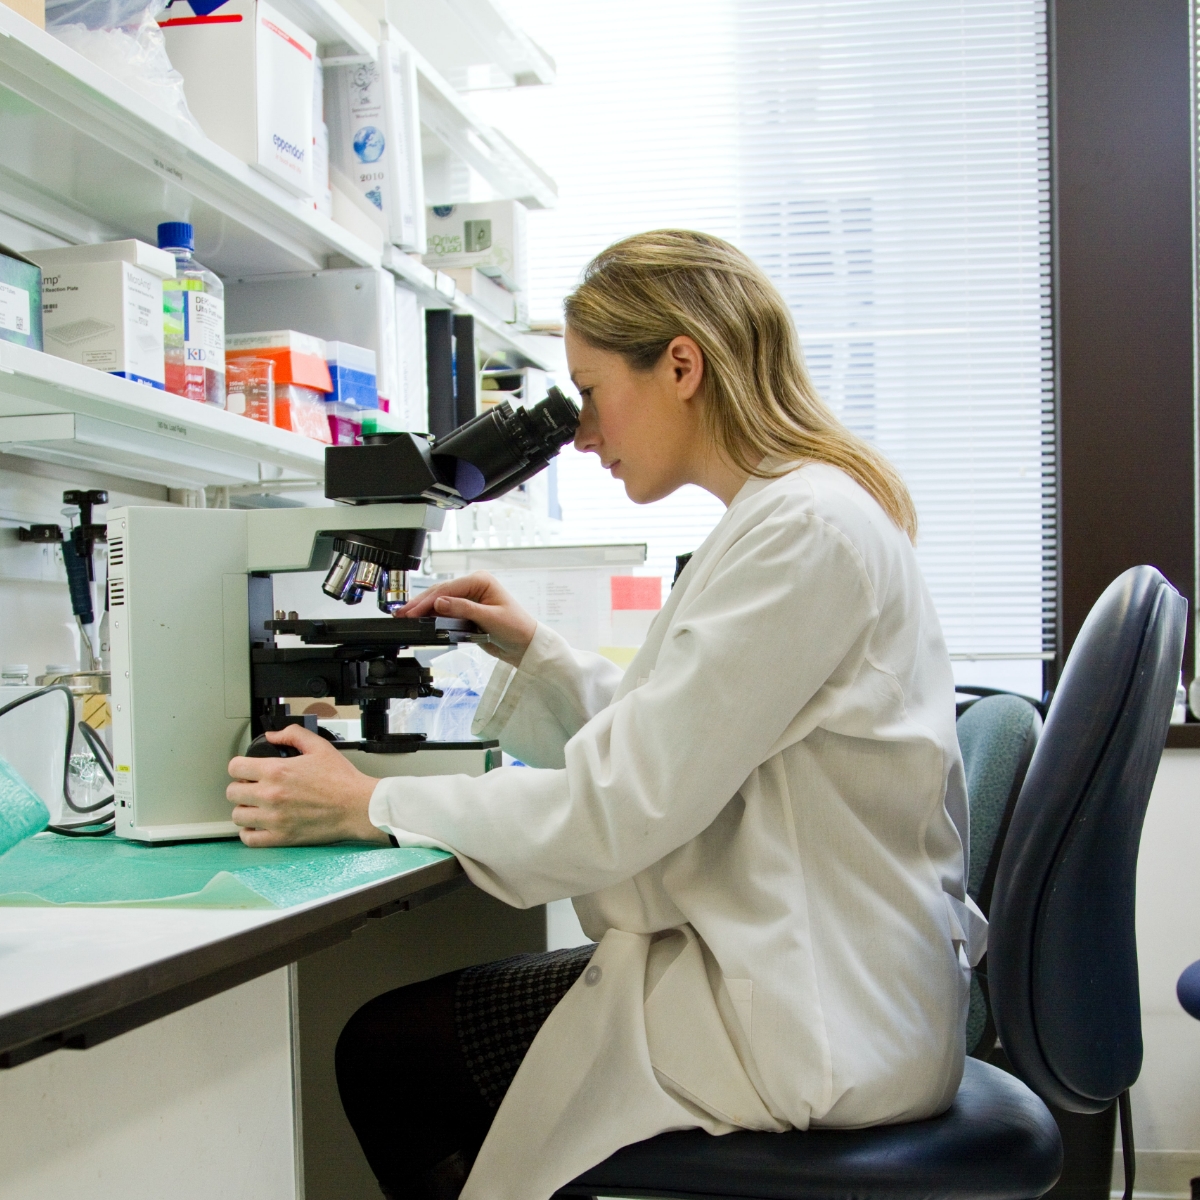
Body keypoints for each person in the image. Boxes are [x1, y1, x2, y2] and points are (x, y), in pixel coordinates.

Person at [226, 230, 986, 1200]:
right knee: (413, 1050)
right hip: (807, 976)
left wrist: (366, 803)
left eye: (587, 393)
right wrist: (534, 652)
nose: (580, 435)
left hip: (812, 1018)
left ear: (680, 365)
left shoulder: (799, 533)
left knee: (385, 1057)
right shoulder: (792, 518)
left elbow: (616, 808)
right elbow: (683, 736)